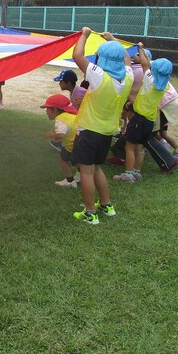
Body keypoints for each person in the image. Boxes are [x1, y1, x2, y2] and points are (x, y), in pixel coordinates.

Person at [71, 28, 133, 225]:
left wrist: (84, 35)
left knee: (86, 172)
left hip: (89, 131)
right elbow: (127, 61)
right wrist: (114, 40)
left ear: (101, 58)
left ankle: (90, 213)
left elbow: (77, 55)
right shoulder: (127, 79)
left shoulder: (98, 76)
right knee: (97, 169)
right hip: (107, 132)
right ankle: (106, 205)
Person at [113, 43, 173, 182]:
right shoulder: (164, 85)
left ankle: (128, 174)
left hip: (138, 119)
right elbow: (147, 64)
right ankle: (136, 172)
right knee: (140, 147)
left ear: (155, 70)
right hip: (150, 121)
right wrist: (143, 53)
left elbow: (145, 64)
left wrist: (140, 48)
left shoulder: (149, 79)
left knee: (129, 147)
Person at [40, 94, 80, 188]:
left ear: (55, 109)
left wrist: (52, 135)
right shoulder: (71, 115)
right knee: (78, 161)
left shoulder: (61, 119)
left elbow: (61, 135)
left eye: (47, 109)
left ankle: (69, 181)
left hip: (73, 146)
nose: (46, 111)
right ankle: (81, 175)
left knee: (63, 157)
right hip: (81, 143)